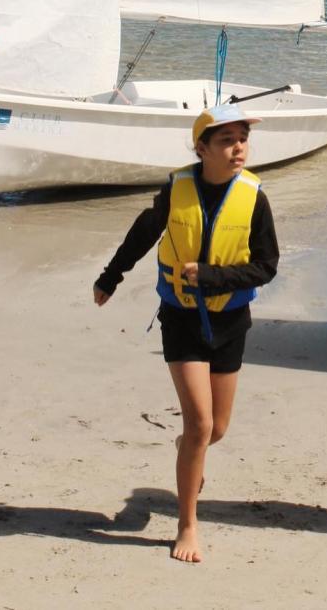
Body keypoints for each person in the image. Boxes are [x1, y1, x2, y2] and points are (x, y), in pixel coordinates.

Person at [93, 103, 279, 563]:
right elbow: (143, 233)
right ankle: (187, 525)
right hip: (180, 318)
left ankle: (187, 450)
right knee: (198, 423)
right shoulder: (176, 189)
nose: (239, 149)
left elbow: (267, 267)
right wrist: (110, 276)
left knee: (215, 430)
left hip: (230, 320)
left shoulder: (254, 196)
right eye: (227, 141)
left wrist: (214, 277)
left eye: (243, 139)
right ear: (201, 148)